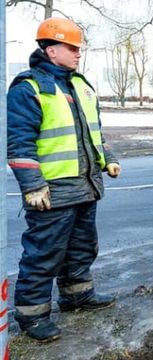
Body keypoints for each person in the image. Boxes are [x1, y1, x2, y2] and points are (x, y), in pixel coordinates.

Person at [7, 17, 121, 342]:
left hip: (85, 186)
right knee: (44, 254)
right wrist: (33, 185)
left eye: (78, 48)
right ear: (51, 50)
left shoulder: (81, 86)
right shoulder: (29, 87)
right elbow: (19, 143)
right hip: (51, 192)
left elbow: (93, 134)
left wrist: (108, 159)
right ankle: (32, 315)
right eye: (71, 48)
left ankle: (77, 295)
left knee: (82, 247)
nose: (77, 53)